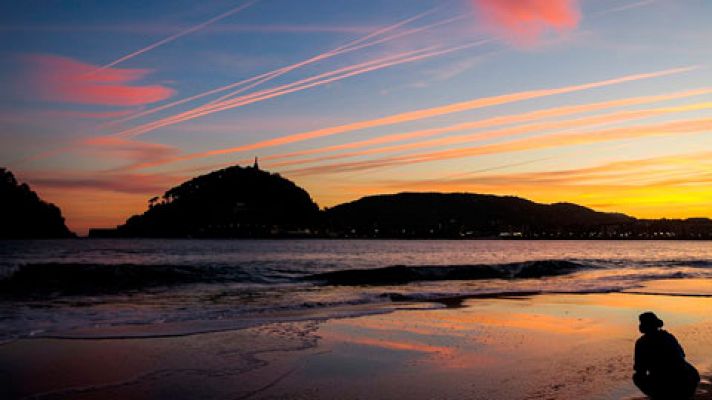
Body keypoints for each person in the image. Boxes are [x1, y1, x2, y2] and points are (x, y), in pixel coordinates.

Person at [633, 312, 700, 399]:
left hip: (670, 383)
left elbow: (639, 369)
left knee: (637, 377)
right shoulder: (669, 336)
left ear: (643, 327)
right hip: (690, 378)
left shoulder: (642, 343)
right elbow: (682, 355)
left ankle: (659, 395)